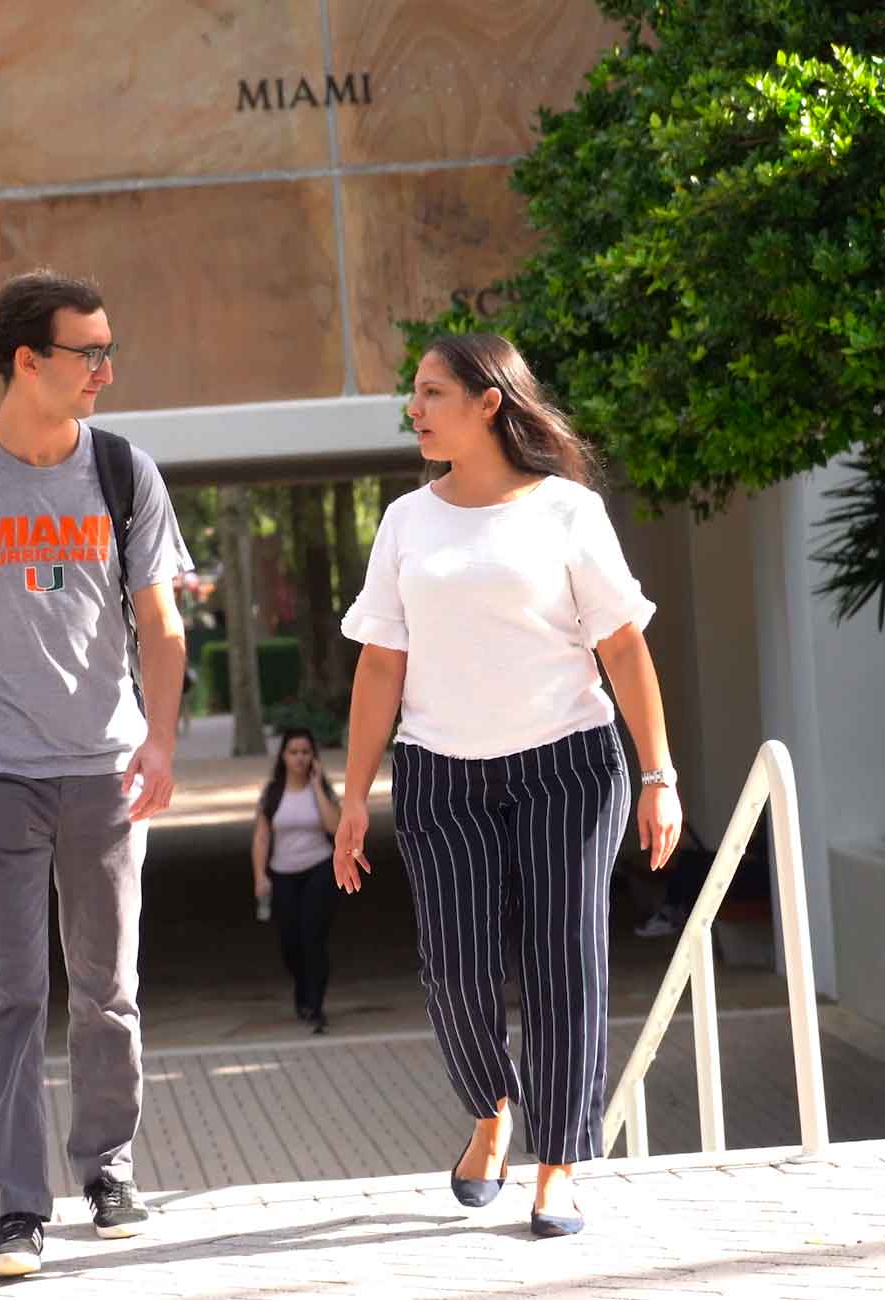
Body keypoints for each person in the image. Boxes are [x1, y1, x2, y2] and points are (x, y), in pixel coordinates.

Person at [334, 332, 682, 1240]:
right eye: (414, 393)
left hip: (566, 764)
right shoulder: (409, 520)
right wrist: (351, 798)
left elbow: (622, 646)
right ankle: (491, 1109)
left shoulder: (567, 510)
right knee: (455, 966)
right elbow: (379, 667)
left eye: (431, 391)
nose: (415, 408)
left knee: (565, 959)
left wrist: (658, 775)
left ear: (490, 403)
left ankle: (558, 1163)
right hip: (440, 772)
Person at [0, 269, 192, 1278]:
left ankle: (106, 1168)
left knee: (107, 989)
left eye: (108, 349)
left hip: (103, 767)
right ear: (29, 360)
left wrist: (159, 740)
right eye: (87, 351)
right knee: (10, 990)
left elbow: (160, 621)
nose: (105, 369)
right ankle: (17, 1212)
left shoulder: (123, 472)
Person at [251, 728, 340, 1034]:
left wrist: (316, 785)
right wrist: (260, 875)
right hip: (283, 874)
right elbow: (262, 837)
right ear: (283, 756)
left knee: (313, 938)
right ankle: (302, 988)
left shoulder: (323, 791)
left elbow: (334, 827)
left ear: (313, 756)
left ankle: (315, 1006)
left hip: (319, 868)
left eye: (305, 752)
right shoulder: (272, 792)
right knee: (291, 943)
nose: (300, 758)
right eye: (293, 752)